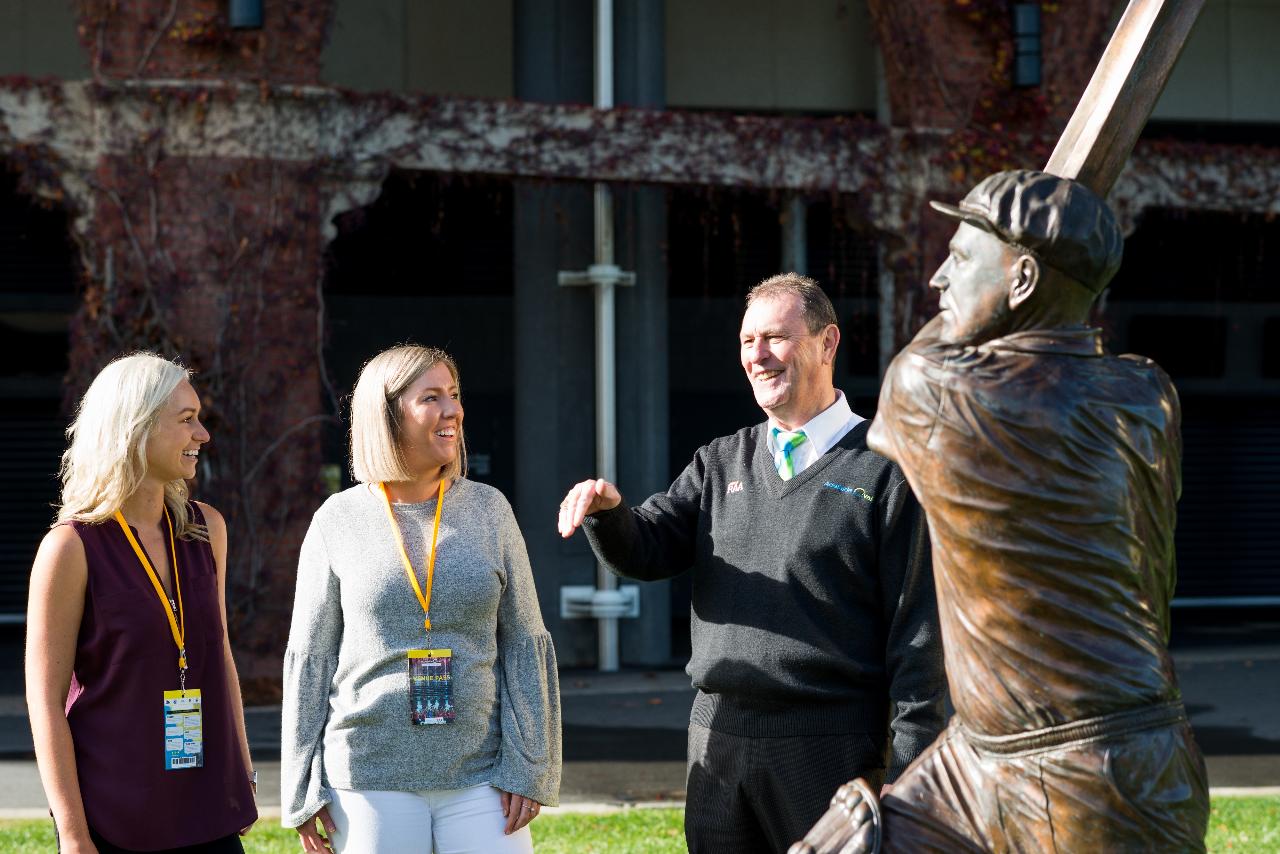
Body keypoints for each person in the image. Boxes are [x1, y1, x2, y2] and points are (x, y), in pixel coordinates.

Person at [796, 170, 1209, 853]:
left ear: (1020, 281)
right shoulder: (1147, 394)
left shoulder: (937, 389)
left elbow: (934, 351)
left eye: (960, 259)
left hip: (1086, 772)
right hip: (985, 756)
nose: (938, 279)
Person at [558, 274, 946, 854]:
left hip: (830, 748)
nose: (757, 356)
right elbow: (648, 547)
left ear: (827, 342)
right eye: (746, 341)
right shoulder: (720, 461)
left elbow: (919, 636)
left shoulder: (888, 471)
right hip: (717, 736)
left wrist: (909, 774)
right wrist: (609, 514)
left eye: (775, 338)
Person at [282, 345, 560, 854]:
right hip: (367, 776)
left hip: (482, 775)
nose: (452, 409)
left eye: (453, 395)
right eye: (431, 397)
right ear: (387, 414)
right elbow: (310, 657)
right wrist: (301, 786)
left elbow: (525, 640)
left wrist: (531, 765)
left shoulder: (489, 508)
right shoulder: (337, 520)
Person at [26, 353, 257, 853]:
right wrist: (72, 832)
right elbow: (45, 702)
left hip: (206, 806)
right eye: (187, 420)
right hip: (113, 816)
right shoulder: (70, 547)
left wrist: (241, 771)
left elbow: (219, 656)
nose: (203, 435)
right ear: (136, 428)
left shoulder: (207, 529)